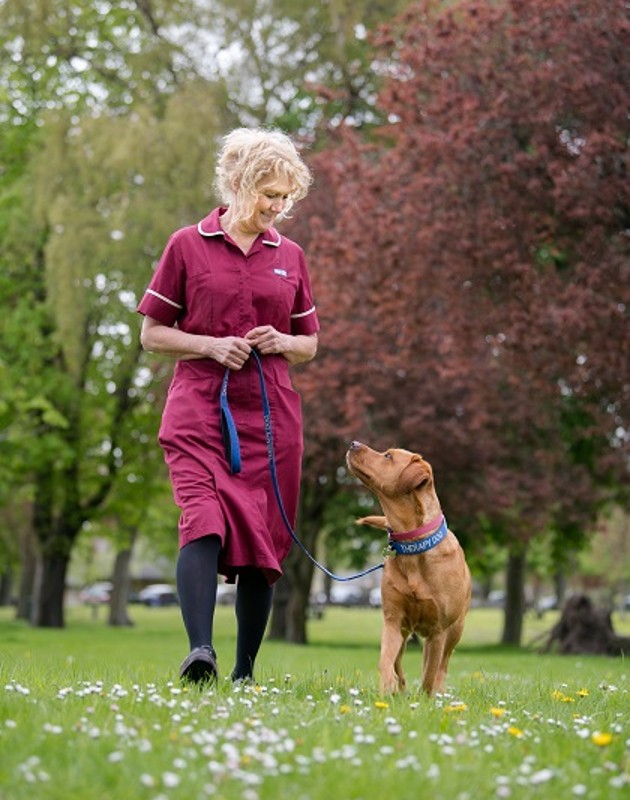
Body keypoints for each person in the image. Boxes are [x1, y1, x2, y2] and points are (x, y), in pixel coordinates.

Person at [137, 127, 319, 684]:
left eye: (286, 197)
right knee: (204, 521)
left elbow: (309, 342)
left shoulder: (290, 256)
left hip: (270, 420)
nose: (278, 207)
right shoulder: (186, 245)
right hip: (198, 411)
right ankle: (200, 652)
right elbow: (152, 333)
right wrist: (208, 344)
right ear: (239, 183)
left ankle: (244, 672)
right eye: (269, 194)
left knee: (263, 544)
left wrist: (281, 342)